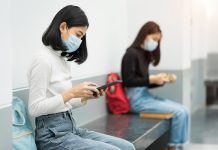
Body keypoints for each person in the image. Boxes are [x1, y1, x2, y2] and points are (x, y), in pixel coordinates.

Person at [28, 5, 135, 150]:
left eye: (82, 37)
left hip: (70, 128)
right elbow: (34, 108)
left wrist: (84, 97)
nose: (79, 41)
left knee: (128, 147)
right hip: (51, 137)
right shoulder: (42, 59)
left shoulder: (62, 60)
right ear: (63, 27)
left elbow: (62, 104)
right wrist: (71, 92)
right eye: (78, 35)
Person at [121, 21, 189, 150]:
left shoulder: (145, 55)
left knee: (184, 110)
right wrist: (151, 79)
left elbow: (144, 82)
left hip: (146, 96)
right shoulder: (130, 54)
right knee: (179, 112)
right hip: (136, 101)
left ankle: (179, 146)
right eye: (154, 39)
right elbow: (128, 81)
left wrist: (161, 80)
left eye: (157, 41)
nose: (155, 43)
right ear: (144, 35)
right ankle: (173, 147)